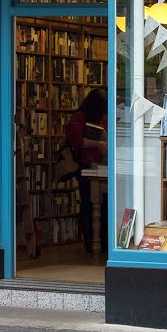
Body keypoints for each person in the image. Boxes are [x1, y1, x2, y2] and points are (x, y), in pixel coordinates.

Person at [66, 88, 108, 253]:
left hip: (101, 165)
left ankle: (103, 240)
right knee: (88, 204)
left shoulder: (100, 118)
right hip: (85, 166)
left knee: (103, 206)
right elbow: (76, 141)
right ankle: (89, 240)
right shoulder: (79, 118)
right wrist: (98, 144)